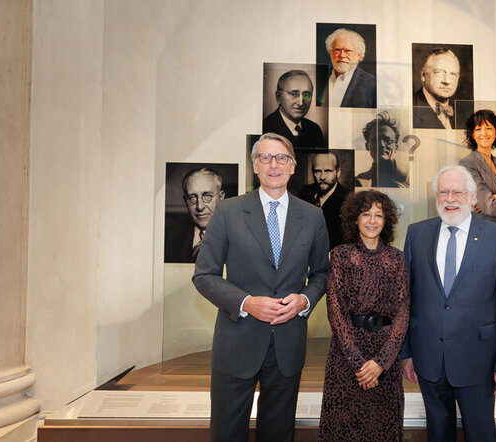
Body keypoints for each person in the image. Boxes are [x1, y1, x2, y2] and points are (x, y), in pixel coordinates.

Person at [192, 133, 330, 442]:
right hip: (236, 342)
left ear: (293, 167)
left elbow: (322, 273)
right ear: (255, 165)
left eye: (281, 158)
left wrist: (304, 301)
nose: (274, 165)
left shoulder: (313, 216)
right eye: (265, 158)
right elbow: (204, 275)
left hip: (287, 344)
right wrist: (246, 303)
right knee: (227, 431)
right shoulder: (228, 212)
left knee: (279, 433)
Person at [401, 166, 496, 442]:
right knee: (437, 434)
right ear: (435, 197)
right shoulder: (416, 235)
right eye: (443, 192)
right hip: (429, 360)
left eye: (457, 192)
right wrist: (406, 353)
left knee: (481, 435)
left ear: (473, 196)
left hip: (478, 361)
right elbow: (406, 299)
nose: (450, 198)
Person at [318, 190, 409, 442]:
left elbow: (403, 313)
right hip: (346, 360)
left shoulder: (397, 258)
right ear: (354, 219)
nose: (372, 220)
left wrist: (381, 362)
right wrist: (359, 364)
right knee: (343, 429)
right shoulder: (340, 255)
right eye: (365, 214)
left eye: (378, 215)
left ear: (386, 220)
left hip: (385, 362)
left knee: (383, 429)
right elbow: (335, 311)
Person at [458, 109, 496, 229]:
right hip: (482, 231)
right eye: (478, 129)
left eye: (488, 128)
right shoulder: (467, 163)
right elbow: (488, 206)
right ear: (472, 134)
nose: (484, 133)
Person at [165, 167, 225, 263]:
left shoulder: (235, 238)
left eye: (207, 196)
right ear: (185, 201)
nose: (200, 207)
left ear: (221, 197)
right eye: (192, 198)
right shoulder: (169, 239)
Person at [297, 152, 351, 250]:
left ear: (338, 172)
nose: (322, 177)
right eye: (317, 171)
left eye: (328, 171)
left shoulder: (348, 199)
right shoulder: (304, 192)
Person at [263, 70, 325, 148]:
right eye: (294, 94)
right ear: (278, 97)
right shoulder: (265, 128)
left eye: (306, 95)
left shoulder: (315, 129)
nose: (301, 103)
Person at [317, 28, 376, 108]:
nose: (342, 55)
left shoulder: (372, 83)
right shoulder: (318, 77)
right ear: (331, 53)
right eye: (337, 50)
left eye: (348, 51)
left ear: (358, 55)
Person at [355, 111, 409, 188]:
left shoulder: (408, 178)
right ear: (367, 146)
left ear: (396, 146)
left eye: (388, 140)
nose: (381, 145)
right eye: (375, 140)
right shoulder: (359, 181)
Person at [413, 48, 461, 129]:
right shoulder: (410, 108)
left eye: (453, 74)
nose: (447, 81)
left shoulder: (464, 113)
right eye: (439, 72)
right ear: (423, 75)